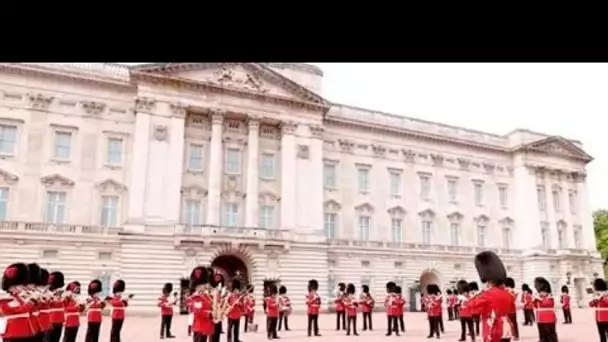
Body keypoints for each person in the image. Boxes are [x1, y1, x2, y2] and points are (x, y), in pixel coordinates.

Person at [467, 250, 515, 342]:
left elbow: (472, 307)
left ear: (489, 280)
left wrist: (474, 296)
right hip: (506, 326)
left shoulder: (487, 294)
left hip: (492, 327)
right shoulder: (507, 293)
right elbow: (511, 309)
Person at [0, 263, 35, 342]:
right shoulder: (6, 299)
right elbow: (16, 311)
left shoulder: (19, 297)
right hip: (14, 332)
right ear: (12, 286)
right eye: (20, 285)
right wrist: (30, 302)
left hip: (24, 331)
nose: (22, 287)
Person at [189, 266, 214, 342]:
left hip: (205, 314)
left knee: (202, 336)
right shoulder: (193, 286)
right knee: (198, 336)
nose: (197, 275)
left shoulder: (207, 286)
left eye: (199, 273)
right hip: (198, 314)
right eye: (196, 273)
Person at [533, 277, 558, 342]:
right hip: (542, 319)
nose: (540, 293)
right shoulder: (539, 299)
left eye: (542, 291)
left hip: (547, 319)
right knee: (544, 336)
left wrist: (538, 299)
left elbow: (546, 304)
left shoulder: (548, 298)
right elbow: (536, 306)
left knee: (549, 335)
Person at [47, 271, 65, 342]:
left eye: (51, 280)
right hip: (50, 319)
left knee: (56, 338)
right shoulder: (46, 292)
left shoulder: (63, 293)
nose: (49, 281)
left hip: (59, 319)